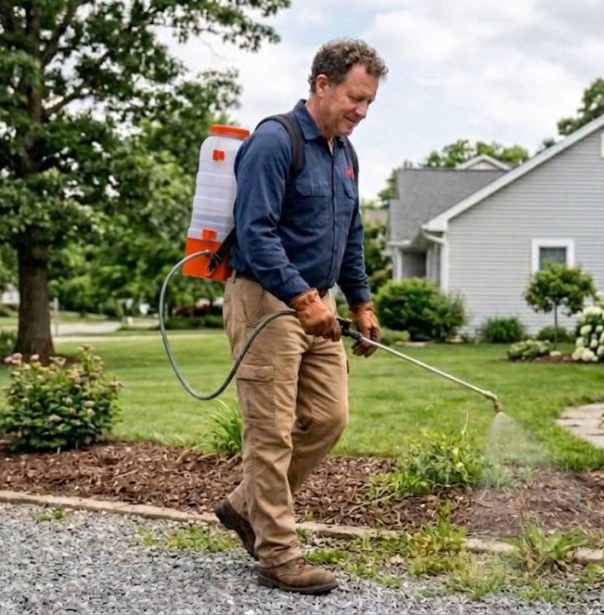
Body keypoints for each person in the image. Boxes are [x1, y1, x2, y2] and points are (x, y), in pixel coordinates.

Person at [213, 38, 387, 595]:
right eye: (355, 99)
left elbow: (351, 233)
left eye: (368, 104)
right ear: (322, 84)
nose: (360, 112)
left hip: (320, 302)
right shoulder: (274, 141)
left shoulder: (345, 154)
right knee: (270, 432)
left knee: (329, 417)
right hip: (266, 300)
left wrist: (360, 301)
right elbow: (257, 232)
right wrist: (302, 298)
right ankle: (279, 553)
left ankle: (246, 507)